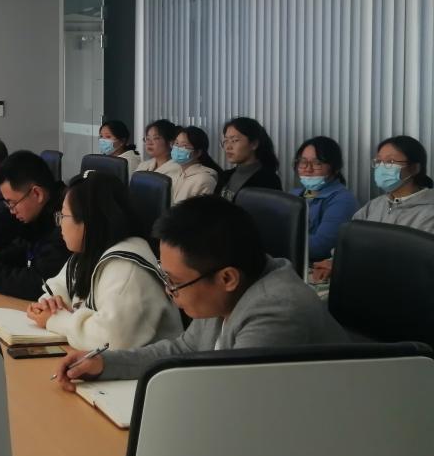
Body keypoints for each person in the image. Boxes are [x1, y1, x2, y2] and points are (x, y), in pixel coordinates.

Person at [53, 195, 346, 387]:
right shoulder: (222, 287)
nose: (169, 291)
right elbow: (184, 350)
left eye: (175, 282)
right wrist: (104, 363)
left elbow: (230, 395)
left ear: (227, 278)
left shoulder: (277, 311)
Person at [26, 173, 181, 350]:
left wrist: (54, 319)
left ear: (89, 221)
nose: (60, 223)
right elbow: (58, 288)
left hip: (147, 367)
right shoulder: (87, 254)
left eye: (64, 215)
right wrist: (48, 304)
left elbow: (110, 339)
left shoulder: (126, 266)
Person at [0, 151, 69, 299]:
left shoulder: (65, 221)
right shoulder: (40, 215)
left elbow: (42, 283)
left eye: (12, 203)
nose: (11, 211)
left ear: (37, 194)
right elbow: (25, 251)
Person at [288, 137, 358, 278]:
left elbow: (320, 246)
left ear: (335, 168)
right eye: (303, 162)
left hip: (316, 271)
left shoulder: (343, 200)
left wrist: (277, 239)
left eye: (317, 163)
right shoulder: (295, 194)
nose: (308, 169)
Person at [352, 135, 434, 232]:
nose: (381, 167)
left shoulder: (429, 212)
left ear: (414, 168)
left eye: (390, 161)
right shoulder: (374, 205)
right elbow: (350, 235)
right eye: (378, 161)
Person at [214, 116, 281, 201]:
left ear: (254, 144)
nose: (228, 147)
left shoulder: (268, 180)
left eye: (234, 140)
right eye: (226, 141)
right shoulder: (226, 175)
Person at [169, 126, 221, 203]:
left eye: (184, 145)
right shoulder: (180, 173)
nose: (177, 148)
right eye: (176, 143)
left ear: (198, 153)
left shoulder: (204, 180)